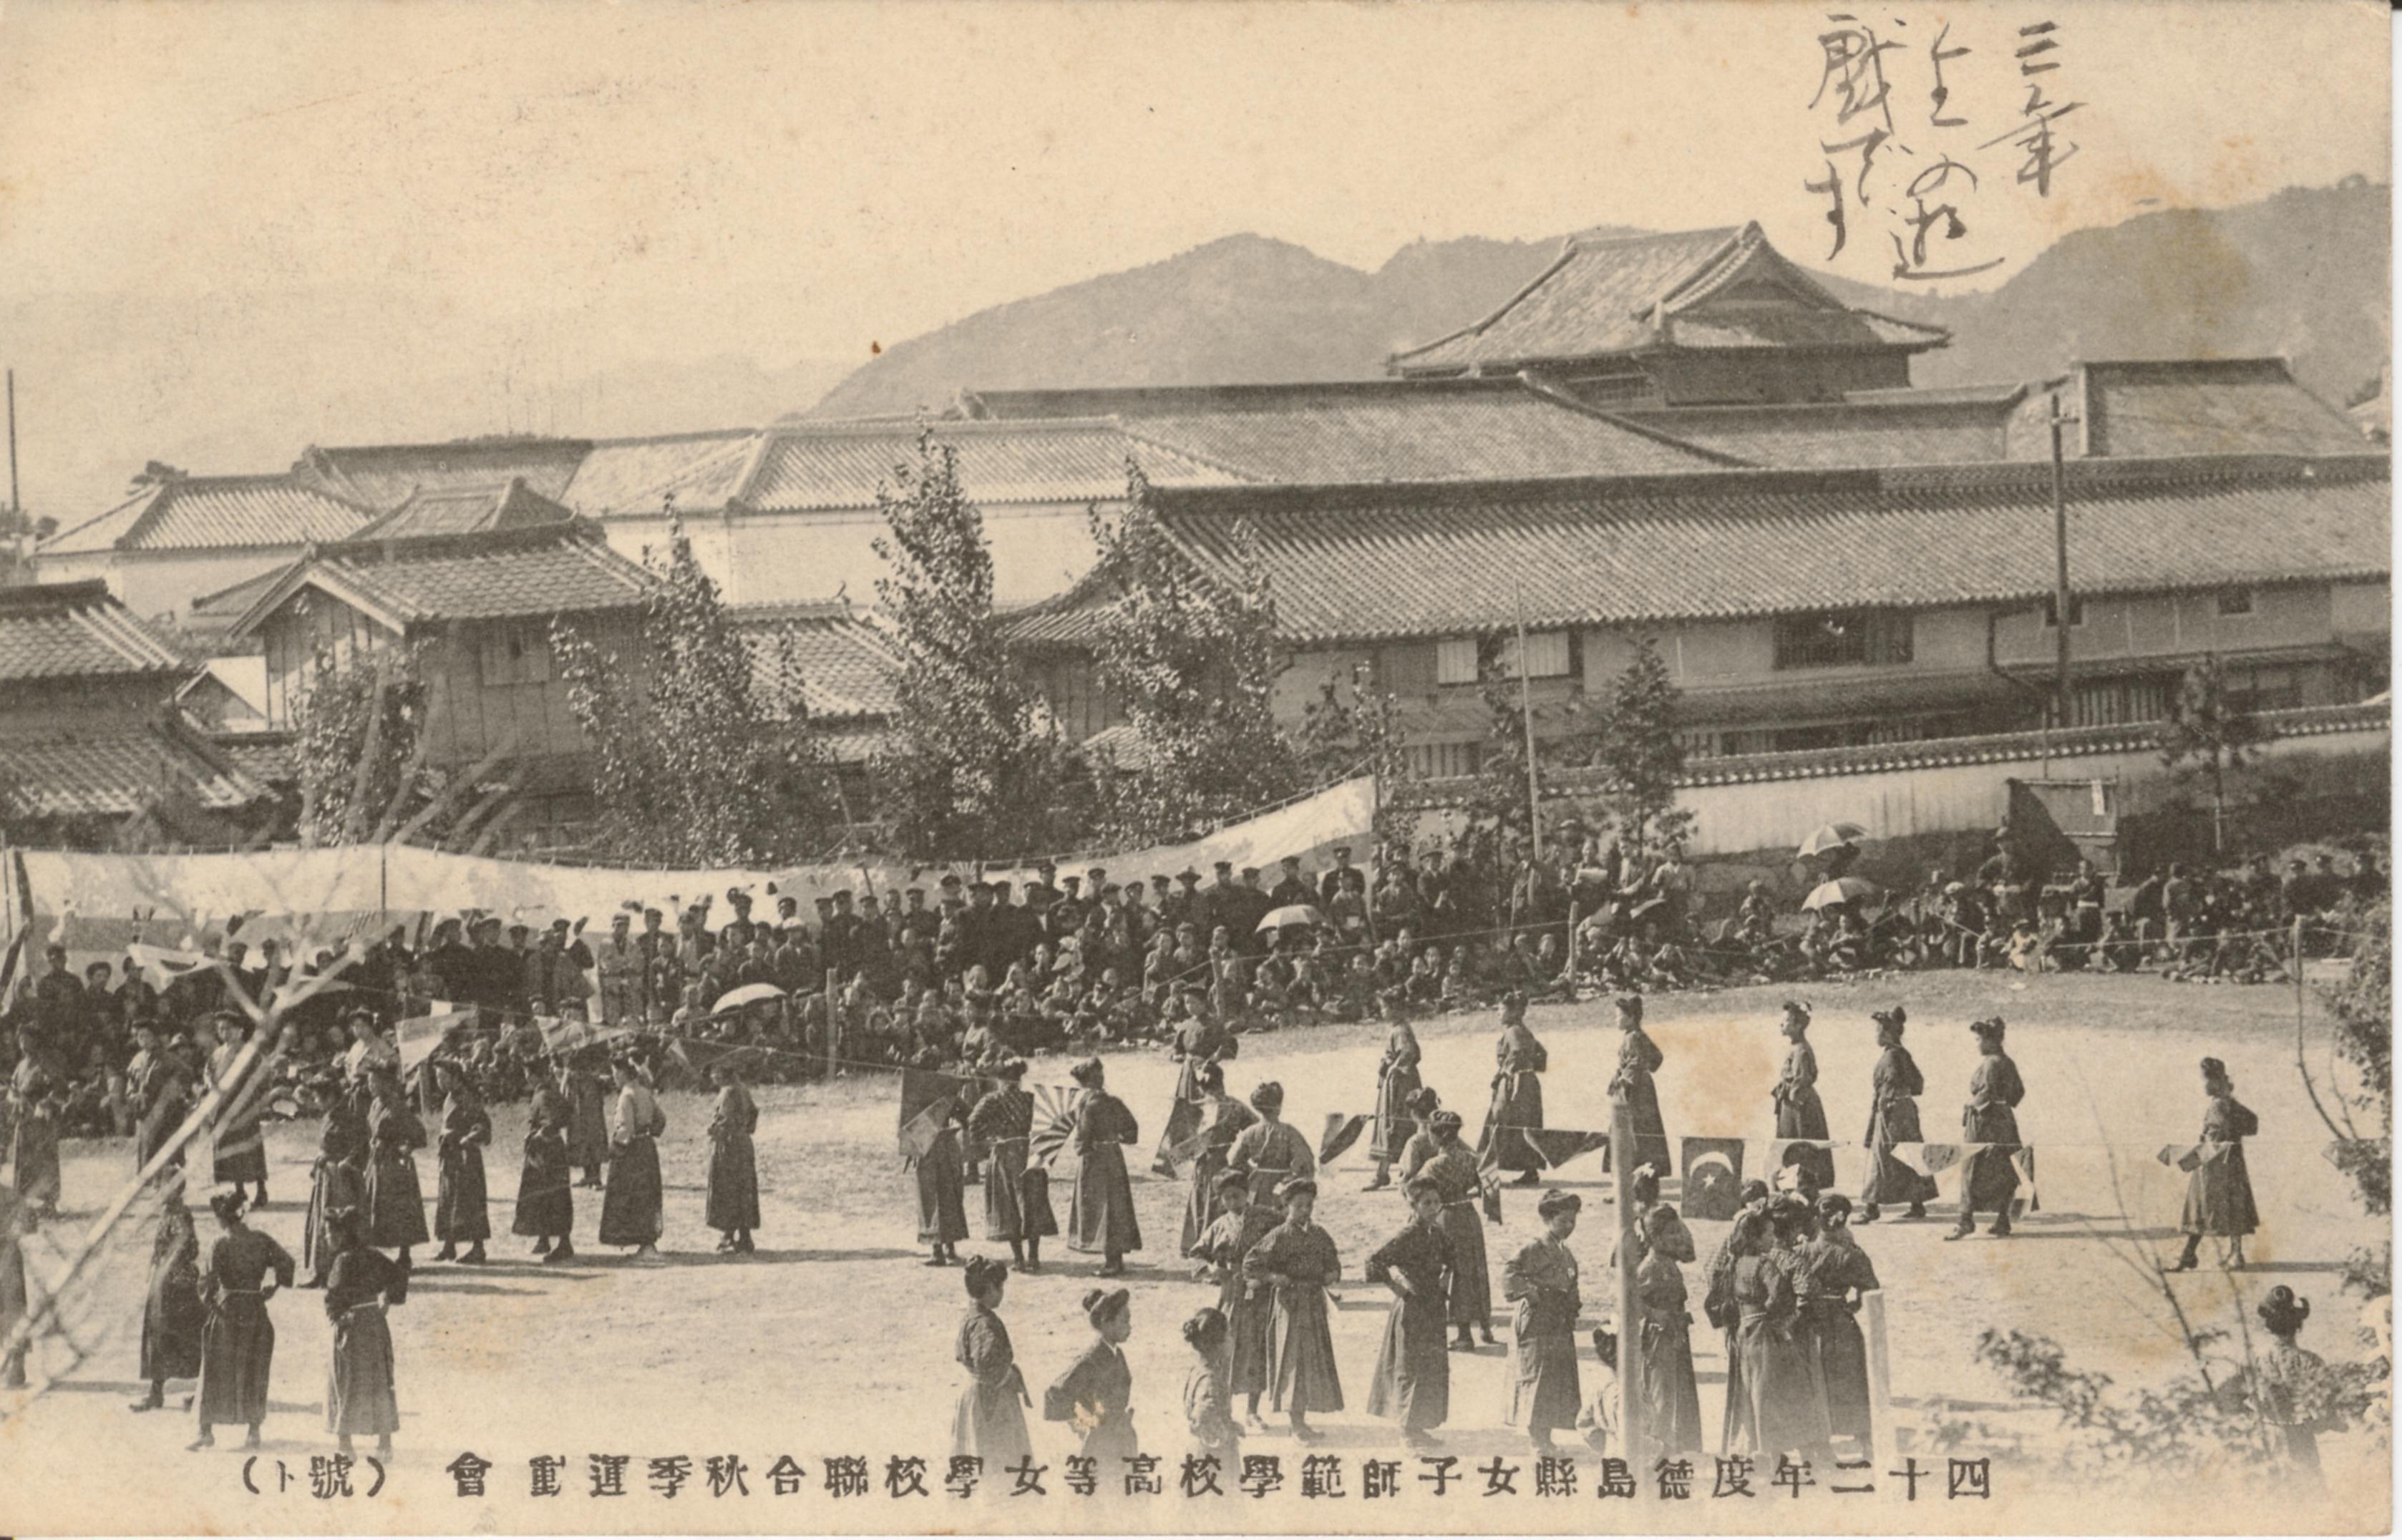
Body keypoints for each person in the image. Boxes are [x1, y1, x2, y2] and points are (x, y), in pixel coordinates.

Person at [190, 1187, 294, 1451]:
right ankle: (253, 1432)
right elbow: (287, 1263)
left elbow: (207, 1283)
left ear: (222, 1218)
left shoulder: (219, 1244)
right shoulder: (260, 1240)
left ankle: (206, 1431)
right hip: (255, 1310)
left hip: (227, 1311)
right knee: (254, 1368)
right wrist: (273, 1288)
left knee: (214, 1368)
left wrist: (210, 1303)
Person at [1243, 1176, 1343, 1444]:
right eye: (1298, 1205)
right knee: (1293, 1361)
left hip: (1314, 1305)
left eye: (1309, 1205)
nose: (1304, 1210)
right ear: (1287, 1206)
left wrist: (1332, 1273)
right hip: (1290, 1306)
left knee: (1311, 1361)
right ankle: (1296, 1424)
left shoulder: (1319, 1234)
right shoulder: (1279, 1235)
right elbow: (1251, 1263)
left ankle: (1302, 1420)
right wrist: (1274, 1278)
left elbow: (1333, 1260)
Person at [1733, 1196, 1830, 1466]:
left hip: (1747, 1330)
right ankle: (1806, 1450)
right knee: (1798, 1393)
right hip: (1781, 1334)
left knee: (1758, 1391)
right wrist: (1785, 1321)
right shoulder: (1789, 1261)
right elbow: (1801, 1296)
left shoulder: (1740, 1260)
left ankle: (1762, 1445)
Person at [1364, 1176, 1452, 1451]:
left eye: (1436, 1202)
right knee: (1409, 1367)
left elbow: (1453, 1258)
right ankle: (1406, 1432)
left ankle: (1419, 1426)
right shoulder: (1407, 1235)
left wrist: (1445, 1279)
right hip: (1412, 1308)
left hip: (1433, 1307)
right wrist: (1399, 1289)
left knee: (1430, 1367)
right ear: (1413, 1206)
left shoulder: (1437, 1233)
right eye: (1427, 1203)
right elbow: (1374, 1261)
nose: (1433, 1208)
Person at [1188, 1171, 1278, 1429]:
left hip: (1259, 1293)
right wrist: (1212, 1270)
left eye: (1237, 1196)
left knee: (1257, 1349)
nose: (1232, 1202)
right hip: (1231, 1293)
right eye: (1227, 1198)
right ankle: (1223, 1408)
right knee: (1225, 1348)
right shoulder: (1219, 1226)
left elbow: (1285, 1242)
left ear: (1247, 1194)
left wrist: (1268, 1274)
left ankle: (1252, 1410)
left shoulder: (1267, 1218)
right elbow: (1196, 1254)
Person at [321, 1207, 405, 1458]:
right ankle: (385, 1444)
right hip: (375, 1325)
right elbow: (399, 1275)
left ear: (341, 1235)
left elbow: (333, 1299)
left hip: (352, 1327)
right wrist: (386, 1297)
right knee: (379, 1381)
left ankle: (346, 1446)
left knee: (345, 1381)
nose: (326, 1238)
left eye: (329, 1233)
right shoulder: (373, 1256)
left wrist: (339, 1318)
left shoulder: (342, 1261)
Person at [1799, 1193, 1880, 1455]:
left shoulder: (1802, 1250)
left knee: (1814, 1379)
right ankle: (1863, 1436)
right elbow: (1870, 1286)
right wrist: (1855, 1302)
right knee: (1850, 1378)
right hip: (1839, 1321)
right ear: (1842, 1218)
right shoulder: (1851, 1254)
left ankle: (1817, 1438)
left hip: (1809, 1321)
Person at [1506, 1189, 1582, 1451]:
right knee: (1537, 1377)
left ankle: (1546, 1437)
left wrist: (1573, 1307)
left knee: (1555, 1378)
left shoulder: (1567, 1253)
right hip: (1537, 1319)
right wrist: (1529, 1292)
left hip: (1559, 1320)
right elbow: (1510, 1273)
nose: (1569, 1226)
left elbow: (1572, 1284)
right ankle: (1537, 1441)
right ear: (1548, 1220)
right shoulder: (1535, 1247)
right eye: (1563, 1221)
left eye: (1572, 1221)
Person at [1629, 1199, 1703, 1458]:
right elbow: (1629, 1301)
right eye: (1670, 1234)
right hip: (1658, 1338)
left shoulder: (1669, 1263)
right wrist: (1655, 1314)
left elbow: (1689, 1251)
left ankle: (1671, 1445)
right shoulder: (1649, 1268)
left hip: (1676, 1334)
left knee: (1677, 1390)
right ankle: (1657, 1447)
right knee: (1661, 1393)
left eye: (1677, 1232)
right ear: (1655, 1237)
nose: (1677, 1238)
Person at [967, 1061, 1055, 1273]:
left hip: (1005, 1153)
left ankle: (1019, 1259)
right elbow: (1048, 1122)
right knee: (1032, 1203)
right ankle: (1034, 1257)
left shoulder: (992, 1100)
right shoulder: (1030, 1098)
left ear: (1000, 1079)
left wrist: (988, 1141)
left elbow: (973, 1122)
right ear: (1019, 1079)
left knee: (1009, 1206)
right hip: (1030, 1153)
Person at [2173, 1056, 2260, 1272]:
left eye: (2204, 1080)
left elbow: (2217, 1137)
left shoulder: (2219, 1105)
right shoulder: (2228, 1102)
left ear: (2214, 1081)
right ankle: (2212, 1254)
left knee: (2202, 1207)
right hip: (2230, 1162)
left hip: (2216, 1164)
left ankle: (2198, 1255)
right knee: (2230, 1206)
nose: (2202, 1085)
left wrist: (2192, 1155)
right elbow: (2251, 1124)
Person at [1417, 1111, 1495, 1350]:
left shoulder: (1433, 1165)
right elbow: (1485, 1186)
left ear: (1437, 1136)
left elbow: (1419, 1193)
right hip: (1469, 1215)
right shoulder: (1472, 1159)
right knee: (1475, 1269)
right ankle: (1485, 1327)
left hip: (1447, 1217)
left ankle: (1464, 1335)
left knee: (1454, 1271)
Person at [951, 1255, 1033, 1467]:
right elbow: (987, 1366)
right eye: (1000, 1288)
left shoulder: (972, 1314)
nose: (1002, 1293)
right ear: (989, 1288)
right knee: (996, 1458)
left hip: (972, 1393)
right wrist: (1009, 1376)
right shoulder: (985, 1324)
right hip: (989, 1399)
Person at [2251, 1286, 2339, 1481]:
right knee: (2308, 1488)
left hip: (2270, 1437)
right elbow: (2324, 1410)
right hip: (2302, 1437)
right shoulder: (2312, 1361)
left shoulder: (2258, 1362)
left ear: (2267, 1329)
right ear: (2298, 1328)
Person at [131, 1181, 205, 1412]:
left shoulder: (180, 1215)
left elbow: (186, 1247)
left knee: (181, 1337)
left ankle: (198, 1394)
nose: (157, 1192)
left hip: (177, 1286)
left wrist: (167, 1266)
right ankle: (156, 1392)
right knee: (159, 1335)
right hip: (164, 1283)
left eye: (161, 1187)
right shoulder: (169, 1212)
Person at [1950, 1018, 2026, 1241]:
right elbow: (2018, 1092)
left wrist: (1972, 1105)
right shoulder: (2007, 1062)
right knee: (2003, 1168)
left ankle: (1965, 1221)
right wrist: (2004, 1105)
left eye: (1979, 1040)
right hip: (2005, 1121)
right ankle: (2003, 1220)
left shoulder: (1991, 1064)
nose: (1977, 1045)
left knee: (1972, 1167)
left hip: (1984, 1121)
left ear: (1991, 1041)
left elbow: (1986, 1093)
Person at [1065, 1058, 1141, 1276]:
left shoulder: (1088, 1105)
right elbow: (1132, 1131)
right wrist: (1115, 1139)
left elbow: (1082, 1139)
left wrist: (1085, 1150)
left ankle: (1111, 1264)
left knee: (1101, 1207)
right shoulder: (1114, 1102)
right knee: (1117, 1206)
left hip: (1095, 1159)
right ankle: (1117, 1260)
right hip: (1114, 1156)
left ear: (1085, 1083)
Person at [1859, 1006, 1935, 1222]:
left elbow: (1892, 1086)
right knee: (1909, 1153)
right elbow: (1917, 1085)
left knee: (1881, 1155)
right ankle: (1917, 1204)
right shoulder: (1901, 1054)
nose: (1875, 1035)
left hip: (1892, 1112)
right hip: (1905, 1111)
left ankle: (1871, 1208)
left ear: (1887, 1033)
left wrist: (1888, 1103)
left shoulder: (1892, 1056)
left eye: (1877, 1031)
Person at [1046, 1287, 1137, 1463]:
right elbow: (1056, 1393)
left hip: (1121, 1435)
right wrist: (1082, 1424)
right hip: (1101, 1443)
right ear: (1107, 1323)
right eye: (1124, 1321)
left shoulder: (1117, 1353)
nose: (1130, 1327)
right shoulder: (1092, 1359)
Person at [1175, 1062, 1256, 1257]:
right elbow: (1254, 1130)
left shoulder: (1196, 1107)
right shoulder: (1235, 1106)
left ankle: (1200, 1243)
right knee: (1224, 1200)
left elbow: (1179, 1142)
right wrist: (1244, 1152)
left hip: (1205, 1161)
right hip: (1229, 1159)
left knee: (1204, 1200)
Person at [598, 1053, 666, 1261]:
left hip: (632, 1151)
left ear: (621, 1073)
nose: (614, 1078)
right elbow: (661, 1119)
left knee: (632, 1195)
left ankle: (645, 1244)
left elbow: (626, 1129)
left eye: (614, 1073)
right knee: (648, 1193)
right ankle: (648, 1242)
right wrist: (650, 1132)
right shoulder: (644, 1092)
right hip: (647, 1147)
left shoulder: (626, 1096)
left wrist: (612, 1150)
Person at [362, 1071, 429, 1271]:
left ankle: (405, 1255)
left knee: (400, 1208)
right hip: (376, 1163)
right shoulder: (375, 1105)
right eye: (369, 1082)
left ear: (387, 1083)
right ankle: (373, 1255)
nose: (371, 1086)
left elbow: (419, 1134)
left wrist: (404, 1146)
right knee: (374, 1206)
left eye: (375, 1081)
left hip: (394, 1164)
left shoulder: (397, 1106)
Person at [1479, 992, 1548, 1186]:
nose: (1498, 1013)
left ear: (1514, 1012)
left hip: (1515, 1084)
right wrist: (1529, 1069)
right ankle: (1530, 1170)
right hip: (1527, 1082)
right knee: (1525, 1124)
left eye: (1501, 1009)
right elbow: (1542, 1055)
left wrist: (1506, 1072)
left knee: (1500, 1123)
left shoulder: (1513, 1031)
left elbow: (1517, 1052)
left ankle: (1489, 1170)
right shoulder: (1523, 1030)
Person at [204, 1015, 271, 1207]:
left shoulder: (249, 1053)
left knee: (250, 1146)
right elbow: (208, 1072)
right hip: (224, 1107)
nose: (225, 1033)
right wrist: (211, 1084)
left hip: (244, 1105)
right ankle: (239, 1190)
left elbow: (263, 1075)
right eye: (221, 1029)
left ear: (240, 1031)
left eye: (229, 1029)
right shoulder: (217, 1054)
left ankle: (261, 1189)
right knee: (230, 1147)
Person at [430, 1061, 490, 1266]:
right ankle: (449, 1245)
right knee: (448, 1199)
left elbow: (482, 1124)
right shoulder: (449, 1098)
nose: (439, 1081)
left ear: (455, 1078)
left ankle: (478, 1249)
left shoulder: (467, 1097)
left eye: (443, 1077)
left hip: (466, 1157)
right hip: (450, 1156)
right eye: (437, 1077)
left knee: (470, 1202)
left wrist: (468, 1137)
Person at [514, 1066, 576, 1263]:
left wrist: (539, 1135)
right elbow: (568, 1112)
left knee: (552, 1196)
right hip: (553, 1148)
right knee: (544, 1195)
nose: (527, 1078)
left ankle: (564, 1244)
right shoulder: (552, 1091)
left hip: (546, 1152)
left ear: (535, 1075)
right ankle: (544, 1239)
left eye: (529, 1074)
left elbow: (551, 1122)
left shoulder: (543, 1095)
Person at [1771, 1001, 1836, 1191]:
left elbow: (1801, 1080)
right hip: (1796, 1103)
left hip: (1799, 1105)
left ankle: (1803, 1184)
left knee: (1798, 1141)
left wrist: (1791, 1098)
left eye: (1786, 1021)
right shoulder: (1796, 1047)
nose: (1781, 1024)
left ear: (1798, 1025)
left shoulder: (1800, 1050)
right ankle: (1796, 1182)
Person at [1608, 994, 1671, 1177]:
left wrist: (1624, 1081)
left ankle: (1630, 1172)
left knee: (1630, 1127)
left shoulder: (1632, 1038)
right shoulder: (1639, 1035)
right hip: (1644, 1086)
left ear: (1631, 1018)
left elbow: (1635, 1062)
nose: (1616, 1019)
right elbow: (1657, 1058)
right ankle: (1646, 1169)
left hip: (1634, 1089)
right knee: (1646, 1128)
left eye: (1619, 1016)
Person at [1225, 1081, 1315, 1206]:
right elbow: (1305, 1161)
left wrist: (1251, 1172)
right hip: (1282, 1186)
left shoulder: (1249, 1132)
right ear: (1278, 1107)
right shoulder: (1289, 1132)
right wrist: (1292, 1177)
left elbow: (1233, 1160)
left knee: (1257, 1214)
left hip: (1256, 1186)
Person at [705, 1059, 762, 1256]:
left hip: (729, 1146)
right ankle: (745, 1238)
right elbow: (754, 1113)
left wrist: (713, 1131)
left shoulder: (727, 1092)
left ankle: (727, 1237)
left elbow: (725, 1121)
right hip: (744, 1144)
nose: (712, 1077)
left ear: (722, 1074)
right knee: (743, 1189)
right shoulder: (742, 1088)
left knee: (727, 1188)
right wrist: (746, 1129)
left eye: (714, 1073)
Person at [1364, 1011, 1424, 1191]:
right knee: (1398, 1124)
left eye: (1385, 1007)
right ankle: (1393, 1171)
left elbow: (1408, 1052)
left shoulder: (1400, 1031)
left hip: (1400, 1085)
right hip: (1399, 1081)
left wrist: (1393, 1068)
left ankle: (1384, 1173)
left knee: (1394, 1124)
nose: (1382, 1011)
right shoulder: (1400, 1029)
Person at [9, 1041, 64, 1220]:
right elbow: (12, 1089)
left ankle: (49, 1203)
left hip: (40, 1120)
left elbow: (57, 1088)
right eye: (21, 1040)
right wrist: (15, 1098)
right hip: (24, 1118)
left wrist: (45, 1102)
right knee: (23, 1160)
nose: (25, 1044)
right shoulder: (20, 1066)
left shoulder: (45, 1064)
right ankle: (23, 1204)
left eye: (28, 1039)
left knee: (44, 1159)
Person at [1180, 1306, 1243, 1465]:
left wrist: (1231, 1425)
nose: (1232, 1339)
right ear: (1217, 1343)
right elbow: (1203, 1415)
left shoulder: (1199, 1369)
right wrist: (1225, 1434)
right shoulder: (1210, 1379)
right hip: (1212, 1456)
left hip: (1199, 1450)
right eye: (1228, 1334)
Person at [915, 1098, 971, 1267]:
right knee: (947, 1197)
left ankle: (940, 1250)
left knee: (933, 1197)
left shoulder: (916, 1092)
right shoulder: (947, 1093)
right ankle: (947, 1249)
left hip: (928, 1146)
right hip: (943, 1146)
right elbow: (968, 1117)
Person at [563, 1052, 609, 1189]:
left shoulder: (591, 1080)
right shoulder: (571, 1078)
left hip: (591, 1116)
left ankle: (596, 1178)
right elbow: (565, 1095)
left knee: (593, 1142)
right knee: (581, 1144)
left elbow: (597, 1098)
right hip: (578, 1116)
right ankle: (588, 1176)